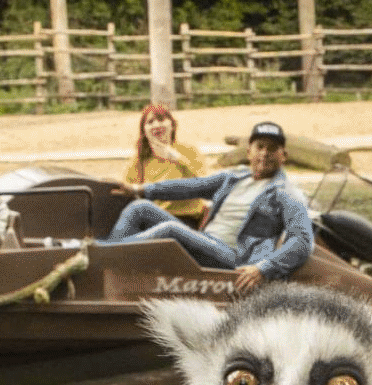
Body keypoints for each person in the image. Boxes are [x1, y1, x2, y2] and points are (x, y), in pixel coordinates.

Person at [103, 121, 314, 295]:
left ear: (284, 156)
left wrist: (263, 268)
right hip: (207, 242)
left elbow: (303, 240)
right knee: (140, 207)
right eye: (260, 147)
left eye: (272, 148)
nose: (265, 154)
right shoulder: (234, 177)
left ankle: (98, 257)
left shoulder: (287, 193)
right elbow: (191, 187)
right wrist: (141, 189)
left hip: (234, 257)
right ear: (249, 152)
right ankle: (104, 270)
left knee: (171, 230)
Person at [122, 103, 207, 222]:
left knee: (141, 209)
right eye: (150, 122)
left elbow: (204, 184)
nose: (156, 125)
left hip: (185, 218)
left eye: (161, 120)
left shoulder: (188, 151)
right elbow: (126, 190)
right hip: (150, 218)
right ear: (144, 131)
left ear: (172, 125)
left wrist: (176, 158)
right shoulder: (140, 159)